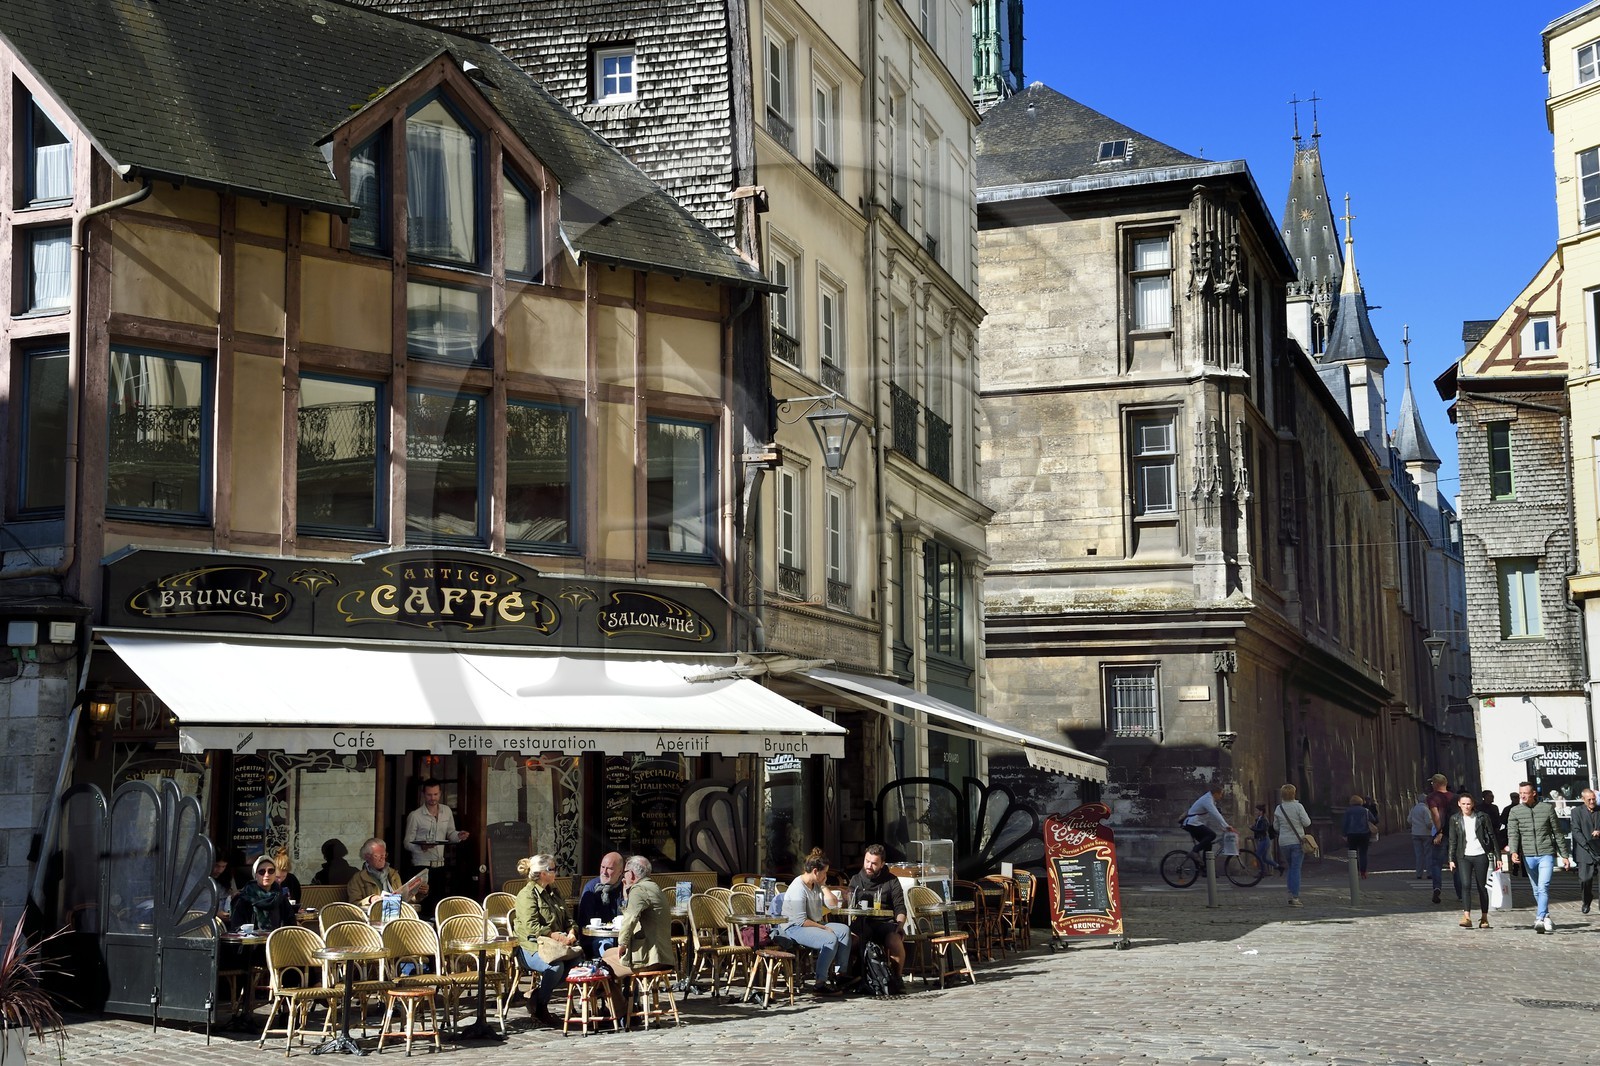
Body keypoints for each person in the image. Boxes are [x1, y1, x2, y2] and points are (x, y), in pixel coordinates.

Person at [512, 854, 578, 1027]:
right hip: (531, 946)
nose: (556, 872)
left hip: (556, 946)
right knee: (555, 967)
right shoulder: (526, 895)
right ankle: (541, 1008)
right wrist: (556, 936)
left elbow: (568, 918)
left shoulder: (554, 892)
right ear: (542, 873)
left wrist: (572, 931)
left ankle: (538, 995)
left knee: (578, 962)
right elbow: (531, 927)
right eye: (552, 869)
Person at [778, 852, 852, 995]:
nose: (826, 875)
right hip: (794, 927)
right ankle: (820, 984)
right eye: (824, 873)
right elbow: (801, 921)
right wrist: (824, 928)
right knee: (829, 938)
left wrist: (824, 885)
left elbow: (833, 905)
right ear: (815, 871)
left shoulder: (815, 884)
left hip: (813, 923)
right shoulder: (798, 888)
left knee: (844, 930)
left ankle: (840, 975)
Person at [1506, 779, 1572, 933]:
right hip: (1528, 854)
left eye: (1525, 793)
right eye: (1520, 793)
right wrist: (1514, 851)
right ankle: (1547, 915)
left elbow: (1557, 833)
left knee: (1543, 886)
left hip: (1546, 853)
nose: (1522, 796)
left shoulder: (1547, 809)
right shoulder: (1515, 811)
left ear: (1533, 793)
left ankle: (1539, 918)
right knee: (1536, 889)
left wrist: (1564, 855)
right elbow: (1513, 834)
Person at [846, 844, 908, 994]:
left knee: (894, 940)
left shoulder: (891, 881)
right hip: (862, 923)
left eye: (874, 863)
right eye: (867, 861)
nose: (869, 866)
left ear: (882, 864)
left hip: (884, 923)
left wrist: (900, 924)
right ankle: (848, 977)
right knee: (847, 940)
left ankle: (897, 978)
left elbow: (900, 907)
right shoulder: (856, 880)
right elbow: (850, 904)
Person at [602, 855, 676, 978]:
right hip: (664, 955)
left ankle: (621, 997)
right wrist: (626, 896)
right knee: (608, 953)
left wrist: (622, 944)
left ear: (631, 874)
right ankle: (627, 994)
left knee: (602, 967)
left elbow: (630, 919)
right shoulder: (654, 887)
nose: (623, 877)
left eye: (624, 872)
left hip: (650, 958)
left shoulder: (639, 889)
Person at [402, 779, 469, 900]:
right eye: (429, 795)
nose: (432, 798)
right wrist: (421, 847)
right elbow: (407, 843)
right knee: (422, 902)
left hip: (440, 865)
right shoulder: (415, 816)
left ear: (440, 793)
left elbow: (450, 833)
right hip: (421, 866)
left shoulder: (446, 811)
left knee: (439, 901)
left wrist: (459, 836)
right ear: (423, 794)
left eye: (435, 794)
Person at [1447, 791, 1497, 930]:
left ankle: (1484, 917)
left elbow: (1492, 836)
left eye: (1468, 804)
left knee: (1482, 887)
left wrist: (1497, 856)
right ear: (1459, 804)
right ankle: (1467, 916)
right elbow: (1452, 840)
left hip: (1480, 854)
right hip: (1463, 856)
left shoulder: (1482, 817)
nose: (1466, 807)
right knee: (1466, 885)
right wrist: (1451, 859)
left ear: (1473, 804)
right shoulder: (1455, 819)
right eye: (1463, 804)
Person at [229, 855, 296, 932]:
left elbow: (291, 925)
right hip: (251, 942)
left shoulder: (280, 897)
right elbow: (236, 928)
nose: (267, 875)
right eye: (262, 872)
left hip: (277, 942)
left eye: (271, 871)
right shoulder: (244, 899)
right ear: (255, 875)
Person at [576, 852, 625, 957]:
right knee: (606, 946)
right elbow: (584, 922)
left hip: (622, 937)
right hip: (596, 938)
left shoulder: (624, 888)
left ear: (620, 871)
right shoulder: (591, 888)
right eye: (602, 867)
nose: (604, 872)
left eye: (609, 868)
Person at [1273, 784, 1313, 907]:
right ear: (1294, 794)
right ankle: (1294, 897)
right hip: (1297, 841)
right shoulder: (1298, 807)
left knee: (1291, 867)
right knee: (1296, 868)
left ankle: (1290, 892)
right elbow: (1307, 823)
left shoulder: (1279, 808)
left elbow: (1276, 827)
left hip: (1284, 842)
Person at [1424, 773, 1456, 905]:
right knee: (1456, 863)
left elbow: (1436, 816)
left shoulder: (1432, 797)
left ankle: (1437, 887)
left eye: (1432, 783)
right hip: (1455, 833)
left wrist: (1439, 831)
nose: (1431, 785)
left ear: (1436, 784)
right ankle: (1460, 892)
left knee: (1436, 863)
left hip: (1442, 833)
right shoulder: (1455, 797)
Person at [1180, 784, 1233, 859]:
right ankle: (1194, 851)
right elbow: (1215, 814)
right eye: (1220, 794)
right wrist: (1226, 825)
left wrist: (1223, 827)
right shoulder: (1207, 800)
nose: (1221, 797)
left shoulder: (1210, 800)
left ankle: (1206, 867)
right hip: (1192, 823)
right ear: (1216, 793)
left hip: (1194, 823)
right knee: (1212, 835)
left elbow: (1212, 816)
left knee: (1208, 844)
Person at [347, 837, 404, 906]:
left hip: (396, 912)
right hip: (373, 915)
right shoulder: (358, 878)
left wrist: (417, 893)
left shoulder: (393, 874)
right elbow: (353, 905)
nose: (382, 859)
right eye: (377, 856)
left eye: (384, 855)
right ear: (367, 857)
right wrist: (370, 899)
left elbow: (403, 898)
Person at [1571, 788, 1600, 914]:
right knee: (1584, 879)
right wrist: (1586, 844)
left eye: (1594, 799)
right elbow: (1576, 831)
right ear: (1583, 800)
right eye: (1589, 799)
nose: (1592, 801)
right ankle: (1586, 900)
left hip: (1599, 850)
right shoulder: (1576, 812)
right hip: (1585, 851)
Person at [1342, 794, 1378, 879]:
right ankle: (1363, 872)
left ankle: (1354, 870)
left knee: (1352, 853)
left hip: (1351, 835)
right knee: (1363, 853)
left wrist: (1344, 834)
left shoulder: (1348, 811)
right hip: (1364, 834)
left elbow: (1345, 823)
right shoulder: (1365, 810)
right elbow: (1373, 820)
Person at [1407, 793, 1434, 879]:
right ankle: (1429, 873)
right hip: (1426, 834)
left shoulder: (1414, 808)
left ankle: (1419, 874)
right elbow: (1428, 823)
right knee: (1428, 854)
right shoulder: (1425, 809)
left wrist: (1415, 825)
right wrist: (1434, 828)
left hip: (1415, 833)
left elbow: (1409, 820)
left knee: (1419, 855)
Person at [1250, 804, 1283, 876]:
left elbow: (1263, 830)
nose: (1255, 812)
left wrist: (1253, 828)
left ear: (1261, 812)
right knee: (1265, 858)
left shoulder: (1263, 819)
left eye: (1257, 811)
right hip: (1262, 840)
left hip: (1264, 840)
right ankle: (1278, 867)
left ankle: (1262, 871)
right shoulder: (1259, 819)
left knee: (1258, 855)